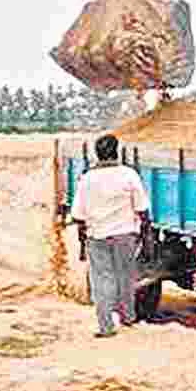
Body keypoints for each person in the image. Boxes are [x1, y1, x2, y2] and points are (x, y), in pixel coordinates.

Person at [71, 133, 149, 338]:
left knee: (102, 280)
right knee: (126, 276)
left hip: (96, 235)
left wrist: (82, 239)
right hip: (125, 234)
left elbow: (78, 214)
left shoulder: (87, 178)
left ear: (96, 154)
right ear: (116, 152)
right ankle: (128, 318)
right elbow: (142, 208)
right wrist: (145, 234)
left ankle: (106, 326)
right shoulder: (129, 174)